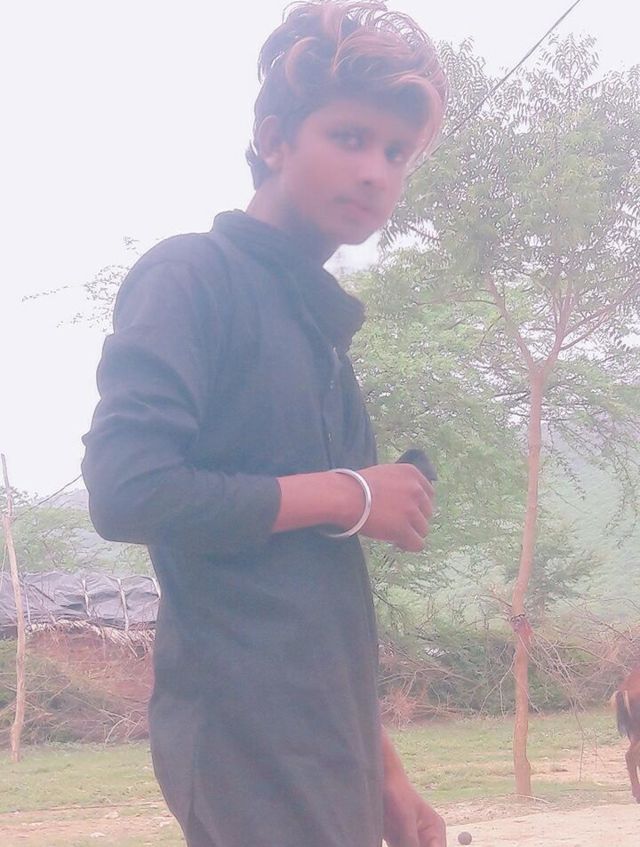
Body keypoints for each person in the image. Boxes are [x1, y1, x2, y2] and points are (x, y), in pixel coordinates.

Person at [82, 2, 448, 845]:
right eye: (350, 137)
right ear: (275, 140)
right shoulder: (191, 276)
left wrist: (386, 776)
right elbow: (128, 489)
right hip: (243, 738)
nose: (376, 172)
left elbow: (317, 596)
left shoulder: (320, 332)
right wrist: (352, 494)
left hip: (331, 742)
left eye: (397, 152)